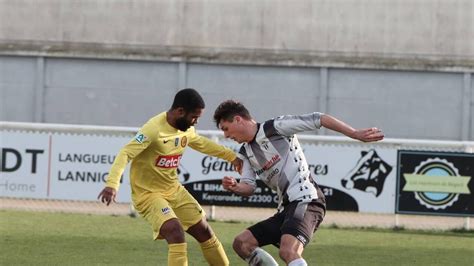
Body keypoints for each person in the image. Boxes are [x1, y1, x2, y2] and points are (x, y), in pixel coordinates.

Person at [213, 100, 384, 266]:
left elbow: (320, 118)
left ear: (238, 119)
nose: (226, 136)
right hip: (286, 209)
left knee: (288, 251)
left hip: (307, 199)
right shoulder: (245, 152)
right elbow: (249, 187)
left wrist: (354, 133)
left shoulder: (275, 127)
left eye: (226, 129)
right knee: (242, 244)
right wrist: (235, 186)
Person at [98, 89, 242, 266]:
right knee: (175, 231)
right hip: (148, 195)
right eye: (194, 117)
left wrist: (232, 157)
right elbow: (126, 153)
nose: (195, 121)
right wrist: (112, 184)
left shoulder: (186, 128)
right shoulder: (153, 129)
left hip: (174, 190)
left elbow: (201, 143)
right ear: (180, 111)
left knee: (204, 231)